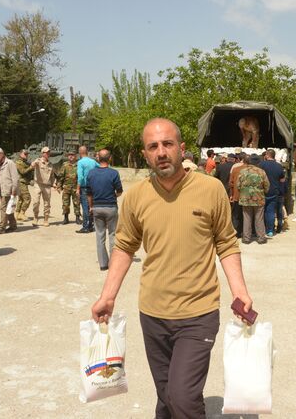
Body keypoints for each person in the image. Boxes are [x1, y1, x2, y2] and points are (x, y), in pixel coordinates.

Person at [91, 118, 254, 419]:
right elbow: (125, 246)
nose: (161, 152)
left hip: (198, 313)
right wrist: (108, 296)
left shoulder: (211, 189)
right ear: (145, 155)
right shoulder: (136, 196)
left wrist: (240, 291)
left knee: (183, 398)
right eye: (153, 146)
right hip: (152, 314)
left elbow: (227, 243)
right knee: (166, 398)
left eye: (167, 144)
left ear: (181, 148)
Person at [87, 149, 123, 271]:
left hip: (97, 207)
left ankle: (103, 264)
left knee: (100, 235)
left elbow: (89, 193)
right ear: (110, 158)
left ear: (98, 158)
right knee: (113, 234)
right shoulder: (114, 173)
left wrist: (91, 206)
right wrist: (113, 196)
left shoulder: (91, 173)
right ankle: (113, 262)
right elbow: (119, 191)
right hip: (111, 207)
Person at [237, 153, 270, 244]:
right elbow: (267, 185)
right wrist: (263, 192)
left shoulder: (242, 171)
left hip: (245, 199)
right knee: (259, 218)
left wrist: (244, 192)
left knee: (247, 218)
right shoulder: (261, 172)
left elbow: (238, 186)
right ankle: (261, 238)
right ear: (258, 162)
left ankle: (246, 238)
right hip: (259, 199)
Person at [0, 147, 19, 233]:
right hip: (0, 189)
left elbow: (15, 178)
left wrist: (14, 191)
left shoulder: (10, 163)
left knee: (3, 208)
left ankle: (2, 227)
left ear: (1, 154)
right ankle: (13, 225)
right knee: (8, 208)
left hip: (8, 190)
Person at [259, 149, 285, 237]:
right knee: (270, 212)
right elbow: (282, 180)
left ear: (267, 155)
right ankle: (270, 230)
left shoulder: (262, 164)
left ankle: (261, 230)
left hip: (262, 191)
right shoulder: (279, 166)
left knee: (260, 211)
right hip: (274, 191)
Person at [31, 146, 56, 227]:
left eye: (49, 152)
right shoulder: (38, 161)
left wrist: (54, 184)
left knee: (47, 204)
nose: (48, 154)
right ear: (43, 153)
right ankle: (35, 217)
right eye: (46, 152)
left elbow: (52, 176)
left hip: (47, 186)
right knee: (36, 202)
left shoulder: (50, 164)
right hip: (38, 184)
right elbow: (33, 165)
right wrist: (34, 164)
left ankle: (46, 219)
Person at [76, 145, 99, 233]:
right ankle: (90, 225)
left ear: (80, 152)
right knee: (91, 206)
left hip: (85, 188)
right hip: (93, 187)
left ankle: (85, 226)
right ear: (86, 152)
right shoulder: (93, 161)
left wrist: (78, 189)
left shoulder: (80, 162)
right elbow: (101, 167)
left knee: (85, 207)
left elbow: (80, 177)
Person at [57, 150, 81, 225]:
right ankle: (66, 218)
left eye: (72, 155)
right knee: (65, 203)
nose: (71, 156)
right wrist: (59, 186)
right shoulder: (65, 165)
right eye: (69, 155)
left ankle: (77, 218)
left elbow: (81, 177)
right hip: (66, 187)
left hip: (75, 187)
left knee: (77, 203)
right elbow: (61, 176)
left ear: (76, 156)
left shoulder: (79, 165)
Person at [229, 153, 248, 238]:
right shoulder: (250, 169)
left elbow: (231, 183)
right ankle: (245, 232)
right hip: (247, 196)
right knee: (246, 215)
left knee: (236, 215)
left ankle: (236, 232)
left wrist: (231, 195)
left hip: (237, 195)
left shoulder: (235, 168)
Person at [15, 149, 34, 221]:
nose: (26, 155)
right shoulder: (19, 162)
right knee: (27, 198)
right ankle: (22, 213)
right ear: (20, 154)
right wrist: (31, 167)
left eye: (27, 154)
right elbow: (23, 172)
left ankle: (16, 214)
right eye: (25, 154)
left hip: (23, 182)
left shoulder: (25, 162)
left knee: (21, 199)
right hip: (21, 182)